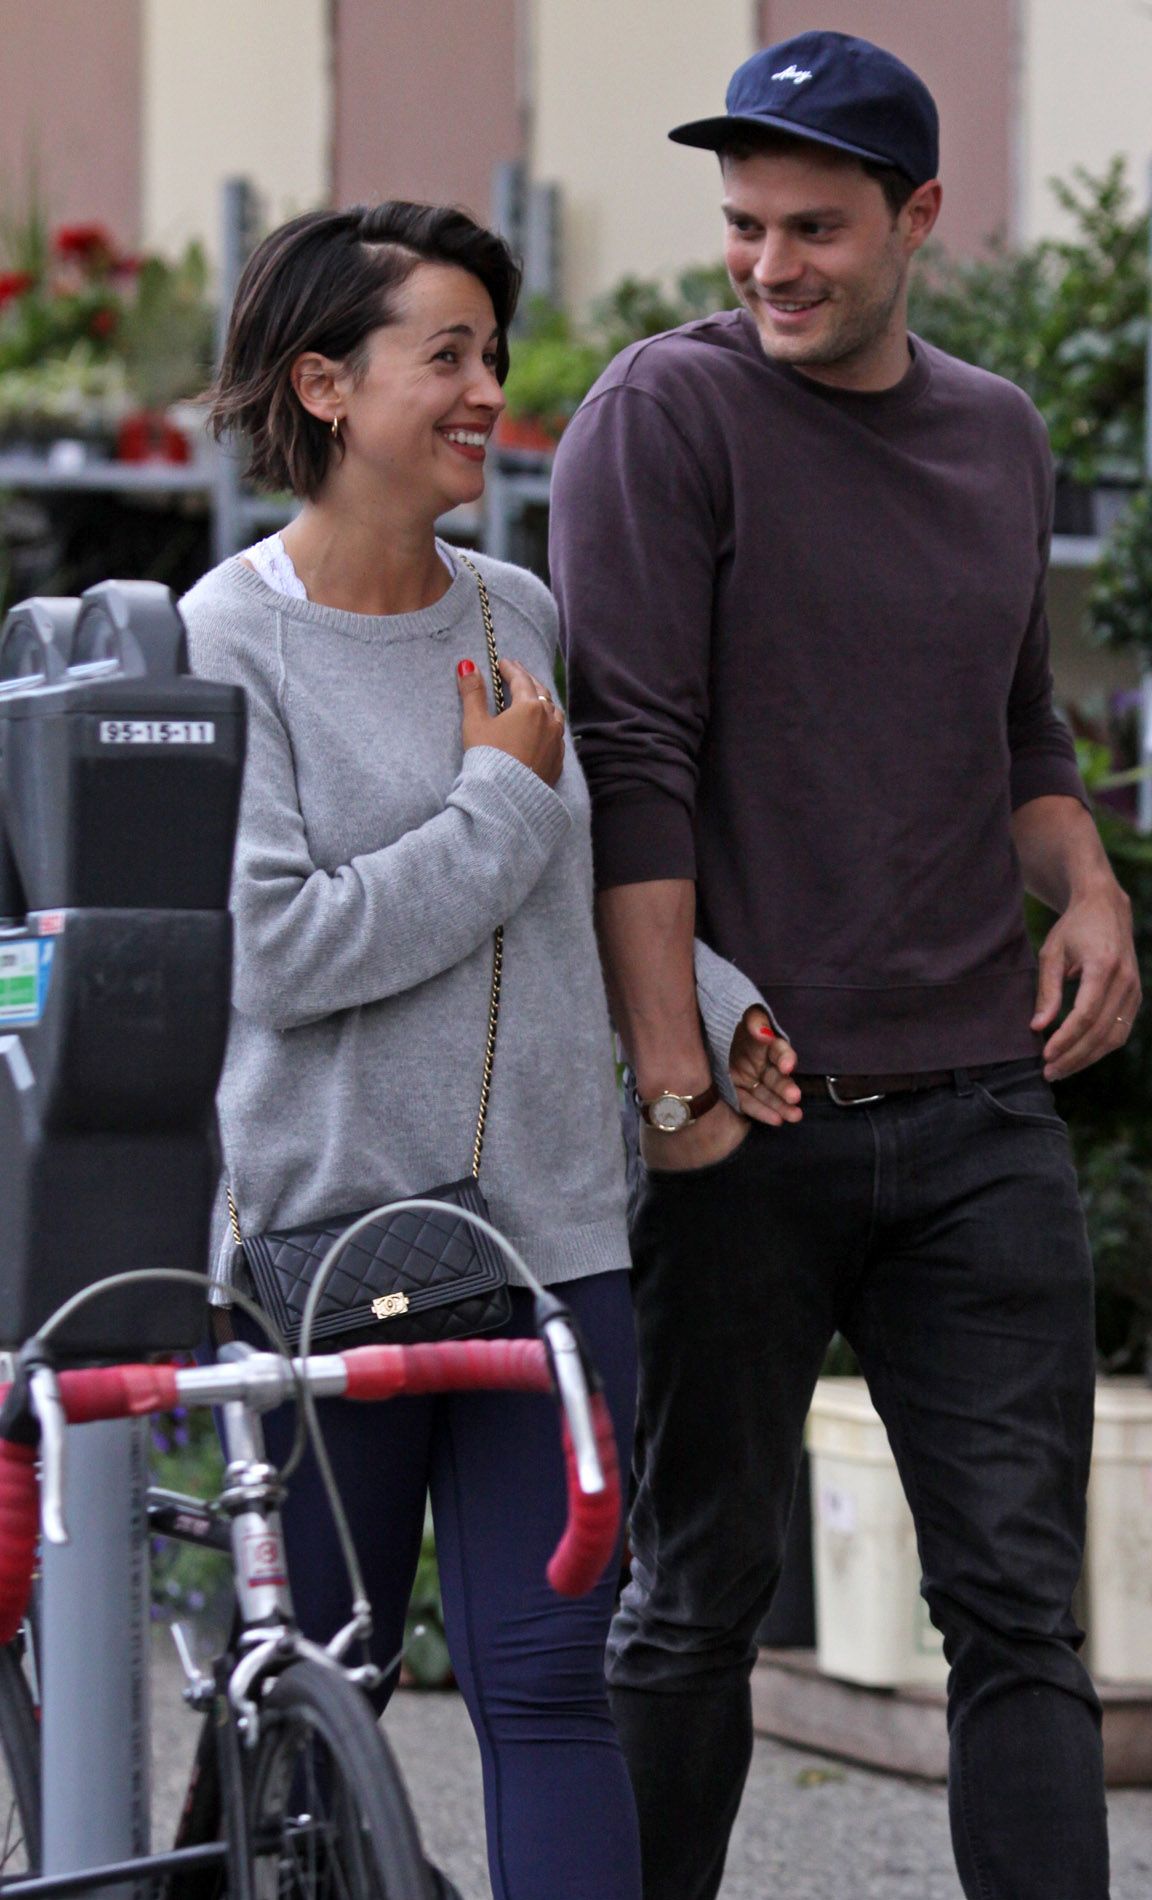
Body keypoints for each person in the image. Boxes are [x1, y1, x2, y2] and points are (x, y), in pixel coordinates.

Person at [550, 31, 1140, 1900]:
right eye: (744, 225)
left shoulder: (997, 434)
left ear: (920, 218)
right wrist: (676, 1091)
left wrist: (1091, 888)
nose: (769, 263)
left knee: (1021, 1616)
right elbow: (631, 759)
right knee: (694, 1600)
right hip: (750, 1111)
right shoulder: (667, 415)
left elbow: (1020, 728)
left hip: (979, 1116)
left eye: (814, 226)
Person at [179, 201, 652, 1900]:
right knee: (319, 1698)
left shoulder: (518, 612)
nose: (487, 391)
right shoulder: (224, 638)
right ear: (325, 384)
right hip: (325, 1262)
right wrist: (495, 801)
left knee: (554, 1687)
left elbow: (567, 897)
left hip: (551, 1249)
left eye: (491, 354)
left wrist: (719, 1005)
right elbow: (281, 955)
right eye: (445, 354)